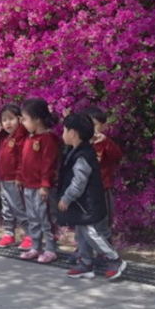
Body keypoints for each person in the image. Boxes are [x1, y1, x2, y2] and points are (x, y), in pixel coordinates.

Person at [58, 112, 128, 280]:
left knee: (92, 234)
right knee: (82, 234)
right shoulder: (76, 151)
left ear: (72, 133)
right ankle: (86, 263)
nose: (63, 134)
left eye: (64, 130)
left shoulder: (83, 155)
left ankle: (114, 259)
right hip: (83, 205)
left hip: (88, 204)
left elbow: (79, 182)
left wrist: (67, 197)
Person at [18, 97, 60, 263]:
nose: (22, 122)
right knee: (33, 218)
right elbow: (24, 160)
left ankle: (51, 249)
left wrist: (45, 184)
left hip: (42, 188)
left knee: (46, 218)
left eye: (25, 119)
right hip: (29, 186)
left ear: (36, 119)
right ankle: (36, 246)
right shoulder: (30, 137)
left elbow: (49, 164)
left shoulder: (48, 138)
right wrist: (20, 177)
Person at [0, 103, 31, 249]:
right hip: (3, 181)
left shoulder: (20, 138)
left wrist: (19, 176)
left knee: (20, 209)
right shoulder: (6, 139)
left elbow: (23, 159)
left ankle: (30, 235)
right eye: (4, 120)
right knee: (7, 210)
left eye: (11, 119)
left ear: (19, 119)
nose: (7, 123)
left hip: (15, 181)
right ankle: (9, 234)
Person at [85, 107, 122, 234]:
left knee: (103, 222)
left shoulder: (105, 143)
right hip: (85, 190)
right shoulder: (81, 143)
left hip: (102, 188)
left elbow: (117, 156)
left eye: (94, 125)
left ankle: (105, 244)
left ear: (103, 126)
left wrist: (106, 142)